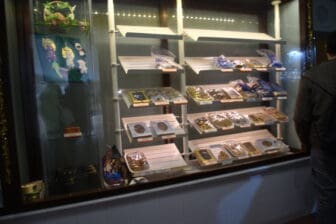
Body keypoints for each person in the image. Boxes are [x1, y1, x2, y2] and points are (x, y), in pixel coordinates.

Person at [294, 31, 336, 224]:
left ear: (327, 50)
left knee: (327, 195)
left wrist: (305, 143)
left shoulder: (312, 76)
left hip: (324, 145)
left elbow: (301, 118)